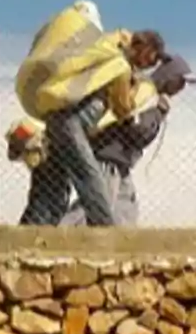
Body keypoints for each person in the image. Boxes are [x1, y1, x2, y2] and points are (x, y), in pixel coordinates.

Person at [52, 53, 196, 227]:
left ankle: (119, 243)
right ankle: (57, 235)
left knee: (125, 208)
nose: (181, 88)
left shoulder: (147, 92)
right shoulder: (146, 93)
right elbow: (137, 130)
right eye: (180, 81)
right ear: (170, 76)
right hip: (108, 157)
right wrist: (158, 113)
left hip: (119, 162)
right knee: (95, 205)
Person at [44, 30, 165, 226]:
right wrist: (143, 107)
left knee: (119, 202)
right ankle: (59, 237)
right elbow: (122, 108)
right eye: (152, 58)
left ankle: (116, 242)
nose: (152, 64)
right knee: (95, 197)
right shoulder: (119, 65)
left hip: (72, 124)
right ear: (144, 49)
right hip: (76, 126)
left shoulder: (116, 58)